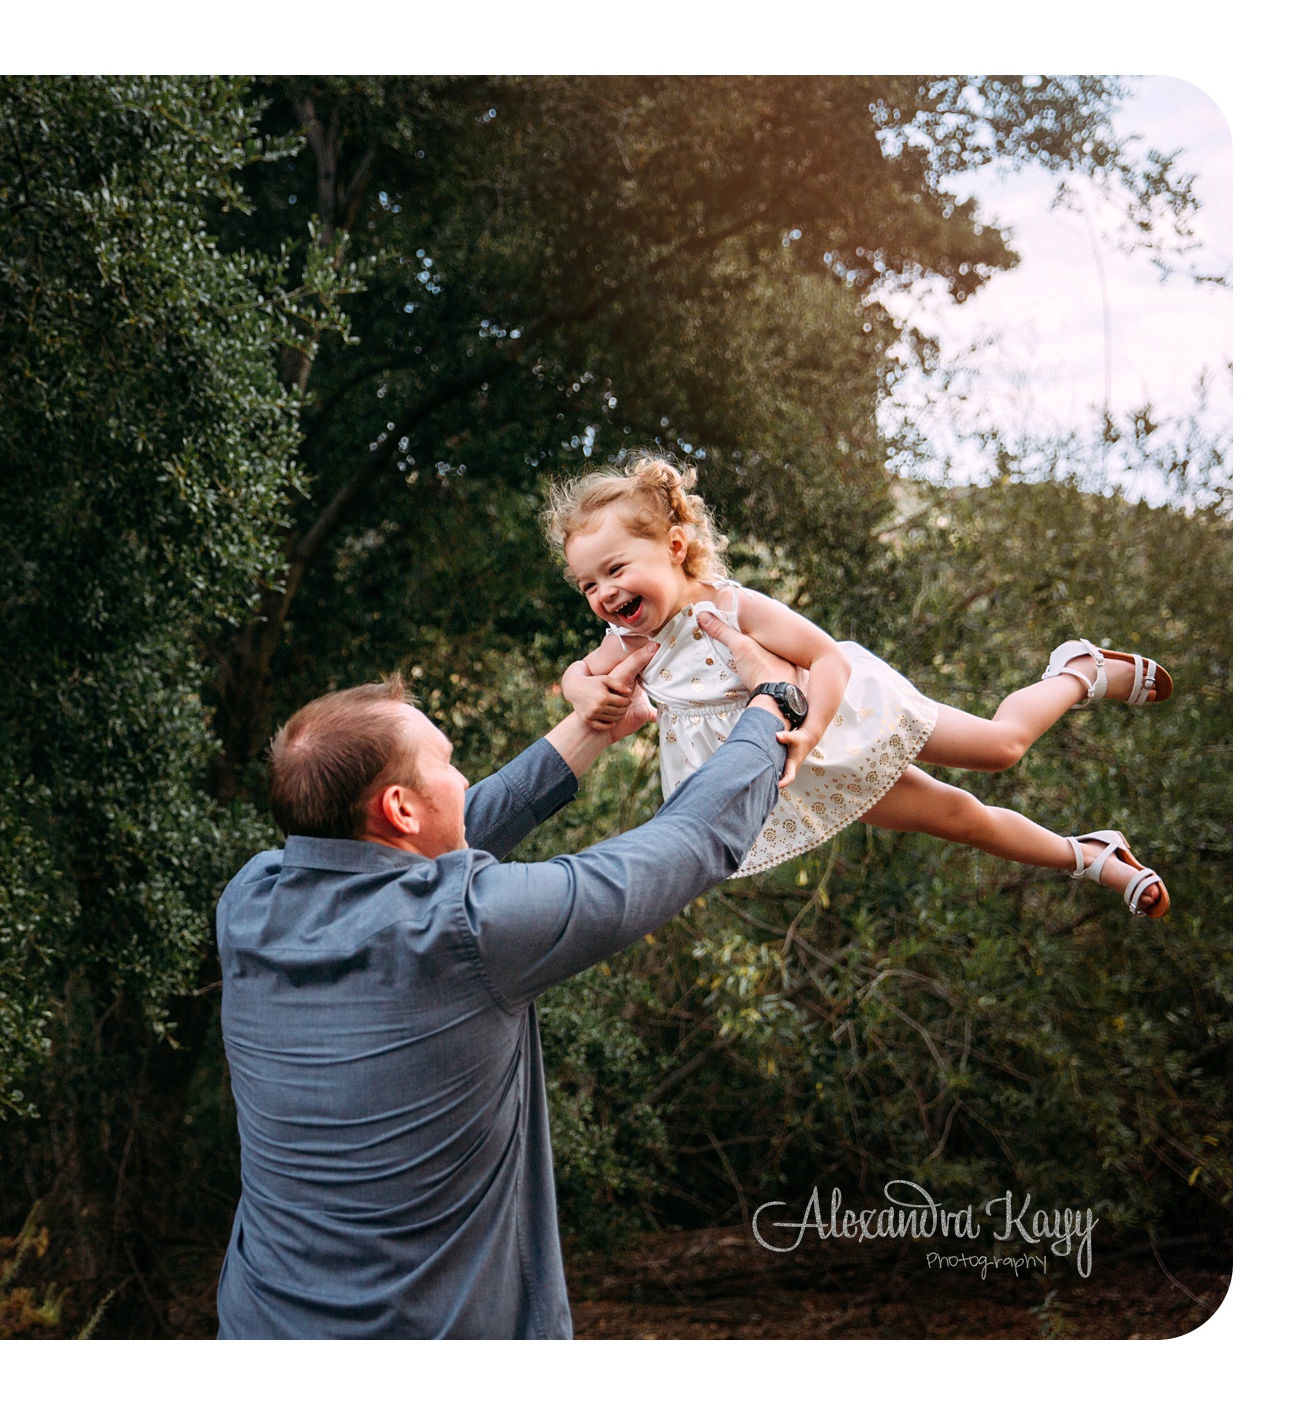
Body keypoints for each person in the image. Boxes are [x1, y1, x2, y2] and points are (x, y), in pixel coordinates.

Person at [213, 618, 803, 1338]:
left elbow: (421, 854)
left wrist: (589, 729)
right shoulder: (474, 932)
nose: (462, 778)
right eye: (448, 763)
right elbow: (682, 846)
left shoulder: (249, 902)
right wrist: (774, 705)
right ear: (399, 806)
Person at [548, 456, 1172, 918]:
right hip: (806, 771)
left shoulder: (734, 608)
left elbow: (826, 660)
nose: (603, 593)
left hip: (842, 720)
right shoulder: (629, 641)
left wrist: (809, 730)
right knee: (959, 818)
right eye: (587, 585)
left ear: (675, 548)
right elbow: (577, 676)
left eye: (615, 569)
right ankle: (1087, 855)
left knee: (1001, 748)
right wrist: (581, 692)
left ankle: (1078, 671)